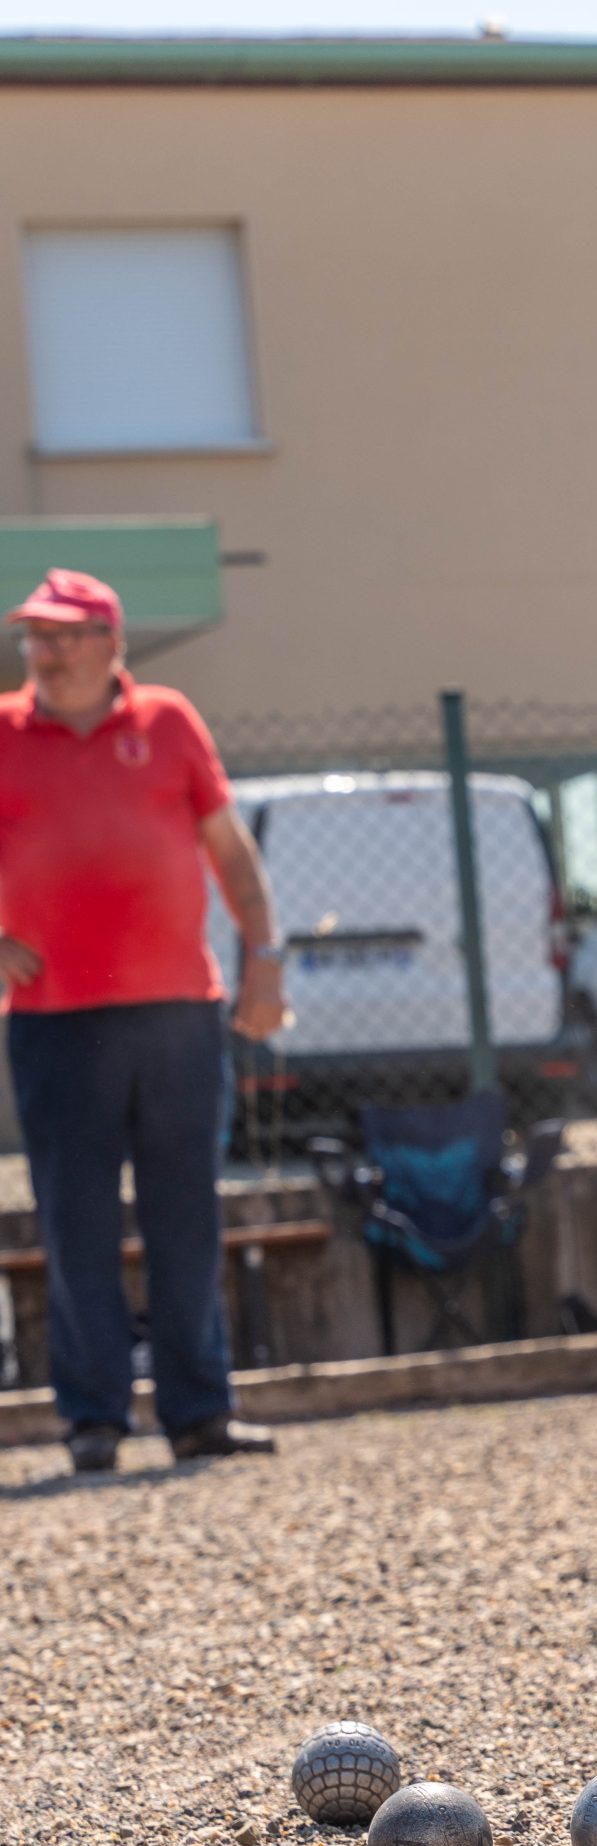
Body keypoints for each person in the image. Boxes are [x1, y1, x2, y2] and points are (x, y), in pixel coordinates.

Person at [0, 569, 286, 1471]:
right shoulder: (3, 732)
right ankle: (93, 1421)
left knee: (185, 1215)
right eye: (34, 636)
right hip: (55, 1018)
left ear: (109, 643)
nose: (43, 650)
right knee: (75, 1220)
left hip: (178, 1012)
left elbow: (230, 853)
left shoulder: (169, 722)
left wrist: (265, 956)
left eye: (63, 634)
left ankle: (200, 1412)